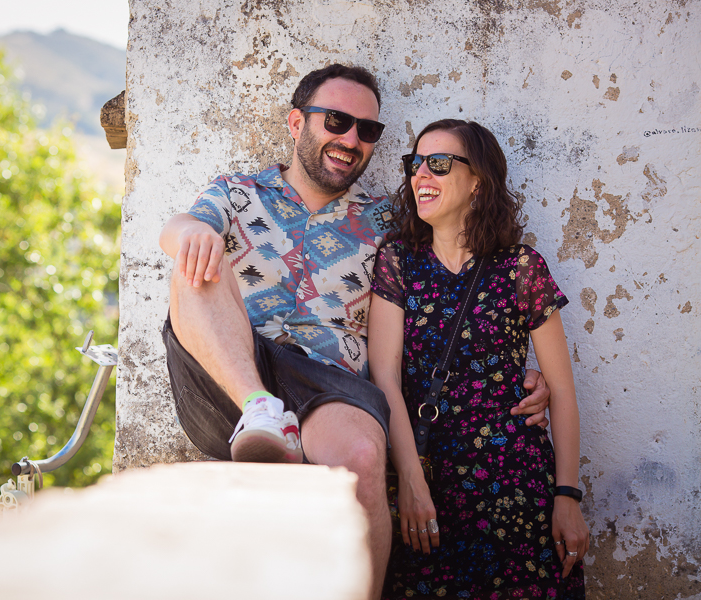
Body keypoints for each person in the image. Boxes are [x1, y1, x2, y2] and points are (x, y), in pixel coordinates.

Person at [158, 66, 551, 600]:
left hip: (327, 386)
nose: (351, 140)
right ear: (297, 123)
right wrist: (195, 232)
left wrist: (516, 372)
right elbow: (176, 228)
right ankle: (260, 411)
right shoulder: (237, 193)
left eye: (367, 131)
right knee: (195, 261)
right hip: (228, 371)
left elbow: (448, 292)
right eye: (337, 122)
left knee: (364, 459)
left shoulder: (389, 220)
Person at [368, 119, 589, 599]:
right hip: (427, 484)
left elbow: (564, 392)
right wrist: (408, 480)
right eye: (416, 163)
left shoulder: (521, 267)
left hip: (515, 486)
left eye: (440, 163)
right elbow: (384, 375)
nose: (421, 174)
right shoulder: (398, 260)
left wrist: (567, 497)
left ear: (478, 182)